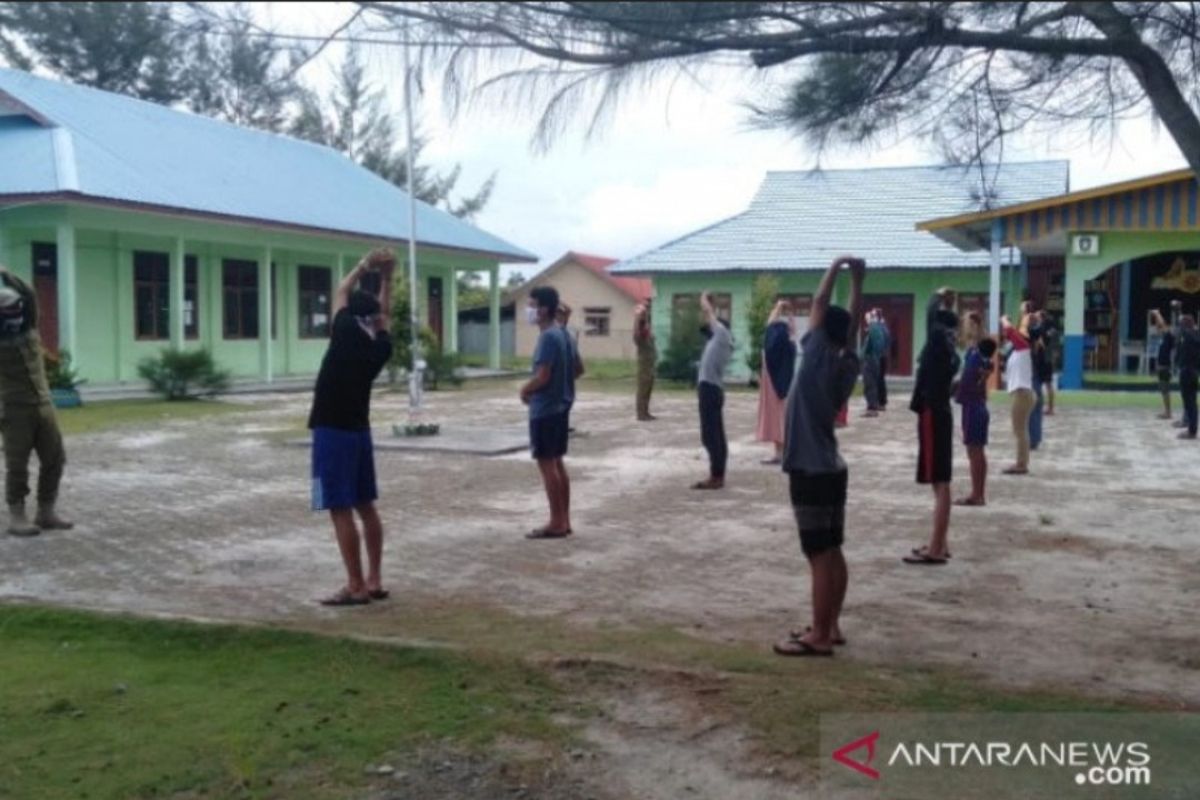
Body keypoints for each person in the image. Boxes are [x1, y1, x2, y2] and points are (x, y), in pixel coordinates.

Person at [774, 255, 864, 657]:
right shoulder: (847, 360)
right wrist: (859, 283)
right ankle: (832, 624)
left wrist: (838, 265)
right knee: (832, 549)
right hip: (831, 466)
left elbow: (820, 301)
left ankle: (820, 636)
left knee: (818, 554)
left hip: (811, 469)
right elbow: (849, 321)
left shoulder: (814, 354)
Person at [307, 249, 395, 606]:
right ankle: (373, 579)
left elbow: (342, 290)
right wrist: (388, 278)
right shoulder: (380, 347)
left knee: (338, 508)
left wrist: (364, 267)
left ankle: (355, 585)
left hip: (331, 430)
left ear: (352, 317)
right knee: (365, 505)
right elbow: (384, 315)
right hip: (360, 432)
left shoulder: (342, 331)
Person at [0, 268, 72, 537]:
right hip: (14, 409)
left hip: (44, 405)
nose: (15, 313)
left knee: (55, 459)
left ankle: (45, 511)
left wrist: (5, 274)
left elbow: (29, 296)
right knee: (17, 464)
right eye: (8, 310)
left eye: (15, 307)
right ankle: (17, 516)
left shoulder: (29, 327)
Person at [903, 288, 961, 566]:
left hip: (932, 412)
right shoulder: (949, 345)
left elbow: (929, 315)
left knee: (939, 482)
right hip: (941, 412)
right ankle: (941, 542)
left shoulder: (937, 338)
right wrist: (948, 303)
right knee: (940, 481)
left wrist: (936, 296)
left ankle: (936, 549)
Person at [522, 286, 574, 537]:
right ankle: (564, 519)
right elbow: (579, 368)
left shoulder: (548, 338)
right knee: (557, 464)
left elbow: (542, 375)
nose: (529, 311)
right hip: (562, 407)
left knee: (547, 466)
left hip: (545, 410)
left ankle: (556, 521)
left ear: (543, 309)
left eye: (532, 305)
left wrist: (526, 389)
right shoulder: (564, 334)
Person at [952, 312, 996, 508]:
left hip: (975, 407)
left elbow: (985, 341)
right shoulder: (975, 353)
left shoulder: (979, 355)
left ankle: (977, 495)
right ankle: (977, 493)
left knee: (975, 452)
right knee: (975, 452)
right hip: (973, 406)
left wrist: (978, 323)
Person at [692, 291, 733, 490]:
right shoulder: (717, 341)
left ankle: (716, 476)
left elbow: (709, 314)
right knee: (716, 434)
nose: (710, 328)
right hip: (711, 389)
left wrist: (704, 300)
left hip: (710, 390)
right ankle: (718, 474)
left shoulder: (722, 336)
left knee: (711, 435)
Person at [756, 300, 797, 465]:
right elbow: (791, 330)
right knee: (783, 417)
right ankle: (784, 452)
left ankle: (780, 454)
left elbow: (770, 326)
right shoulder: (790, 343)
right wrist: (789, 313)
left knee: (776, 418)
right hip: (784, 384)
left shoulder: (773, 343)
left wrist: (778, 308)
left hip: (773, 384)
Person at [1000, 305, 1036, 475]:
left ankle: (1021, 464)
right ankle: (1022, 462)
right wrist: (1021, 312)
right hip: (1022, 393)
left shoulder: (1023, 348)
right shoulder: (1018, 352)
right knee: (1021, 429)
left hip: (1022, 393)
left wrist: (1004, 320)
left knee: (1019, 430)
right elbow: (1015, 331)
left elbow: (1010, 331)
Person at [860, 309, 888, 417]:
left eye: (867, 318)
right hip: (875, 359)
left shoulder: (874, 329)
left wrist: (864, 356)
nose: (866, 320)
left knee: (869, 384)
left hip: (871, 359)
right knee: (873, 384)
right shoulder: (879, 329)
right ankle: (874, 405)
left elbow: (873, 346)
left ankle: (872, 408)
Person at [633, 300, 657, 421]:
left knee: (648, 389)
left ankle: (645, 412)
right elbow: (636, 336)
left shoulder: (647, 331)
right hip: (644, 365)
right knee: (643, 389)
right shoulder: (640, 333)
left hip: (650, 364)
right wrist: (638, 318)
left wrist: (645, 317)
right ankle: (641, 414)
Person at [1150, 308, 1176, 421]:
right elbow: (1160, 326)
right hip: (1161, 366)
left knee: (1165, 390)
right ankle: (1167, 411)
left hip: (1165, 367)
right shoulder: (1163, 339)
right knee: (1163, 390)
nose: (1158, 329)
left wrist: (1157, 314)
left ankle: (1168, 412)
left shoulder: (1168, 337)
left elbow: (1162, 324)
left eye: (1161, 329)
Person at [1177, 313, 1200, 440]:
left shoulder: (1187, 335)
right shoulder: (1196, 336)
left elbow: (1181, 331)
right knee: (1192, 402)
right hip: (1194, 372)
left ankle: (1192, 431)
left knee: (1189, 402)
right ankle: (1192, 428)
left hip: (1187, 372)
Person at [875, 308, 891, 410]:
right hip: (883, 356)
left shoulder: (880, 328)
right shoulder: (884, 328)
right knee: (880, 379)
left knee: (878, 380)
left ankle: (880, 402)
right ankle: (882, 401)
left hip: (879, 357)